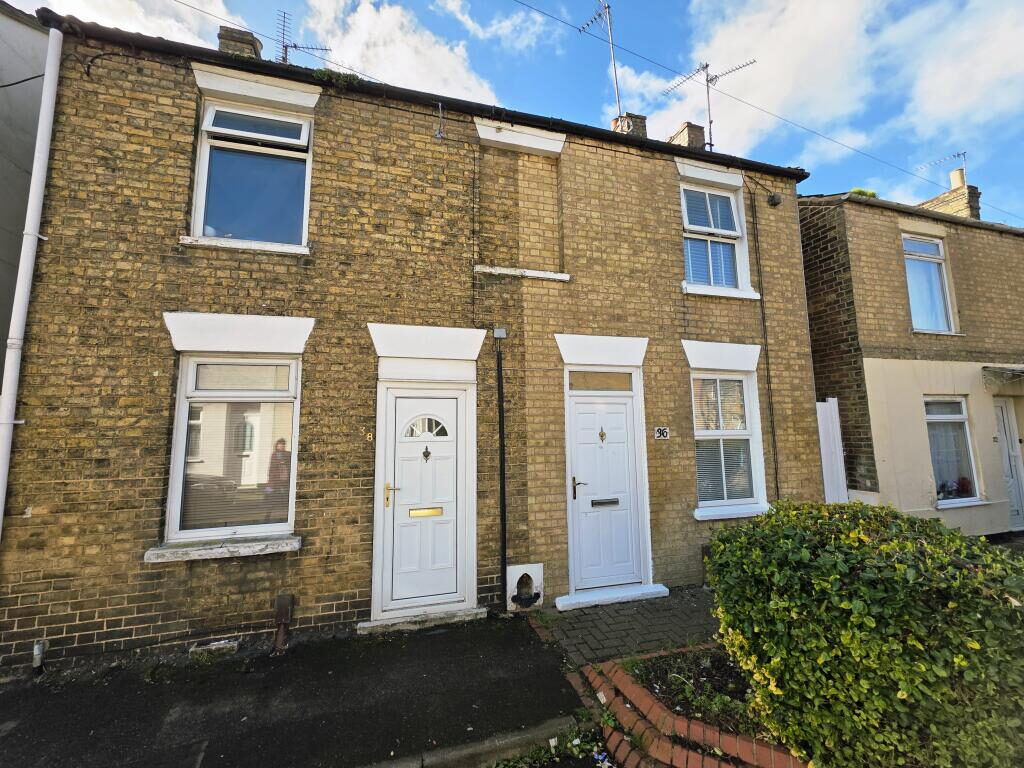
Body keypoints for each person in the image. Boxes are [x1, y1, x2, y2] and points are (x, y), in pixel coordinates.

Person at [266, 438, 291, 517]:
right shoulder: (274, 454)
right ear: (277, 446)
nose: (282, 446)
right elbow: (271, 467)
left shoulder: (288, 454)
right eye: (280, 445)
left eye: (283, 445)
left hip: (285, 478)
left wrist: (284, 462)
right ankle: (268, 513)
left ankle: (287, 514)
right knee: (271, 494)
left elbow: (290, 462)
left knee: (285, 495)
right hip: (275, 478)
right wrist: (270, 479)